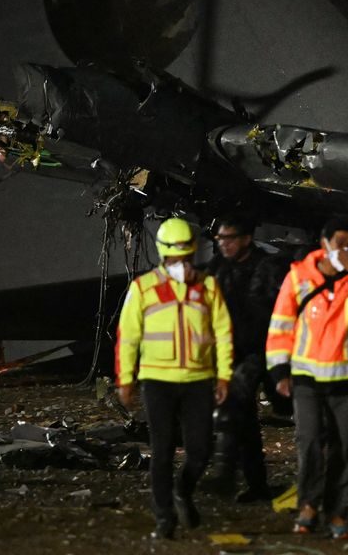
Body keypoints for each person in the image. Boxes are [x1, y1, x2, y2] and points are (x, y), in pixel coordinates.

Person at [266, 217, 348, 540]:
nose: (345, 250)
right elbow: (281, 325)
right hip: (306, 378)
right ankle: (308, 505)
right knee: (308, 444)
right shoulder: (298, 277)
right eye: (340, 244)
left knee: (341, 450)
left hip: (346, 380)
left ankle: (336, 512)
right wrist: (279, 371)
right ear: (324, 244)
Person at [116, 218, 233, 539]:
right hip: (157, 380)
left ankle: (183, 490)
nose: (182, 262)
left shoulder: (207, 287)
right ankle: (164, 517)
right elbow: (128, 337)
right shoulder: (142, 289)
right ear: (164, 255)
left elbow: (223, 334)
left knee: (200, 451)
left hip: (198, 379)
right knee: (162, 450)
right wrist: (126, 380)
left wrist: (223, 376)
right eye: (175, 256)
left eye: (186, 255)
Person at [205, 215, 273, 503]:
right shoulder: (218, 267)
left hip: (259, 350)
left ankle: (225, 474)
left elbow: (268, 315)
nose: (225, 245)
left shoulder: (265, 268)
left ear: (246, 239)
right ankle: (255, 483)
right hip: (228, 350)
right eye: (221, 239)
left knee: (233, 405)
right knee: (243, 417)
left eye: (230, 239)